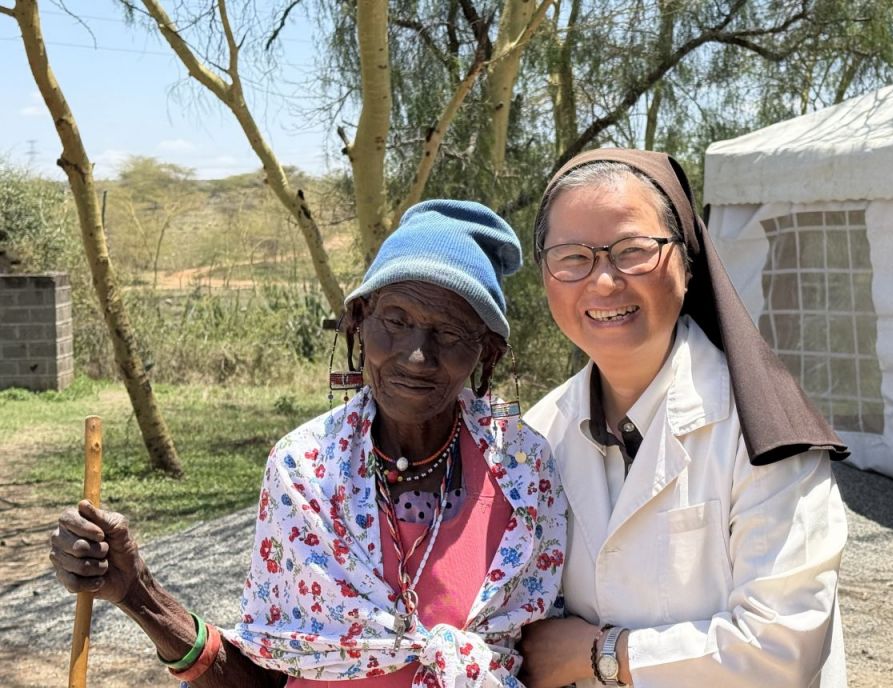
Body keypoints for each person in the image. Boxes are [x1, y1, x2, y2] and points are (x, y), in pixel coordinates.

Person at [50, 200, 568, 688]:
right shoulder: (303, 467)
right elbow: (267, 676)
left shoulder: (522, 472)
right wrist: (137, 593)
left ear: (487, 352)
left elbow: (551, 656)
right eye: (396, 321)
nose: (417, 356)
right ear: (358, 322)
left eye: (450, 333)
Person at [518, 149, 849, 687]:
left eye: (632, 251)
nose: (604, 282)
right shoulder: (536, 434)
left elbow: (781, 648)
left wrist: (603, 655)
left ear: (687, 261)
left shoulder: (762, 431)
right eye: (572, 257)